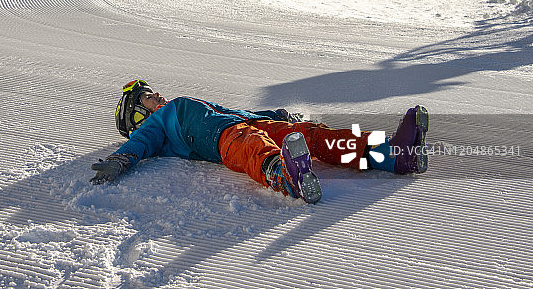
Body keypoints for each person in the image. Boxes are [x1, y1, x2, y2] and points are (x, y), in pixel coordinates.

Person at [90, 80, 429, 204]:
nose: (157, 95)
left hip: (240, 121)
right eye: (149, 96)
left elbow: (234, 110)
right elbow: (140, 144)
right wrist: (121, 160)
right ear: (138, 114)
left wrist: (275, 114)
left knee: (311, 136)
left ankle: (392, 154)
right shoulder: (156, 124)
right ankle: (284, 174)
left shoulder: (177, 105)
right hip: (216, 137)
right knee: (247, 142)